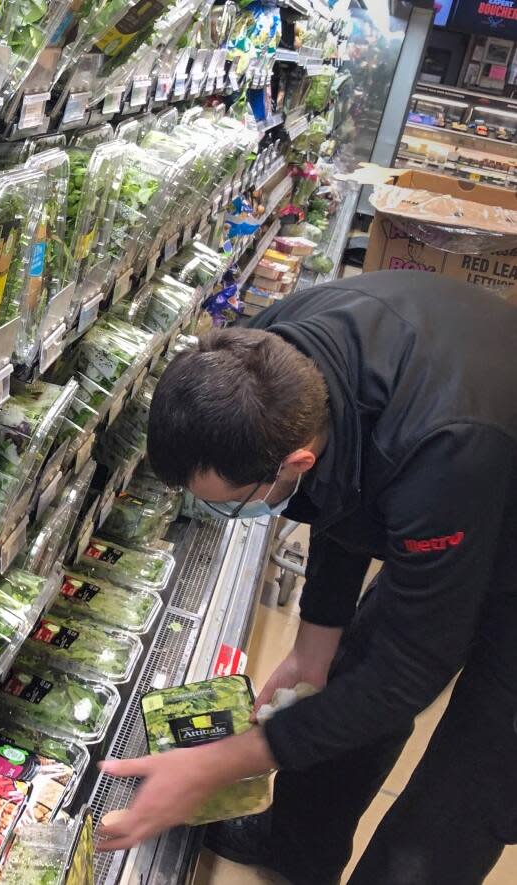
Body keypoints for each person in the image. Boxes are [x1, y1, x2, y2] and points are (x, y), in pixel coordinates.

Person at [94, 271, 517, 884]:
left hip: (482, 467)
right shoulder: (267, 357)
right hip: (458, 466)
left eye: (234, 502)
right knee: (347, 671)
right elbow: (344, 485)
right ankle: (295, 847)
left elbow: (409, 674)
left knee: (470, 776)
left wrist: (224, 760)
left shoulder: (440, 452)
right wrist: (315, 640)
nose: (227, 512)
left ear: (294, 461)